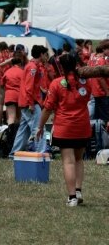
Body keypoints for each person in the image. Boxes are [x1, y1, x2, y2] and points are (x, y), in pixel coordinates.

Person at [36, 53, 91, 206]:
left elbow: (47, 109)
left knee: (68, 161)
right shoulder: (85, 81)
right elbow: (87, 97)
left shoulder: (56, 83)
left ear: (59, 67)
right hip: (82, 126)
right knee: (79, 159)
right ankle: (78, 190)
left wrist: (40, 126)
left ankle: (72, 197)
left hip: (64, 128)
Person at [10, 45, 49, 157]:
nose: (47, 57)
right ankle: (41, 153)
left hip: (26, 101)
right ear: (41, 54)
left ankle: (14, 153)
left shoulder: (32, 65)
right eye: (45, 54)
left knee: (24, 129)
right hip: (30, 102)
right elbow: (29, 87)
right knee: (38, 127)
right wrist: (31, 104)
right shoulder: (33, 67)